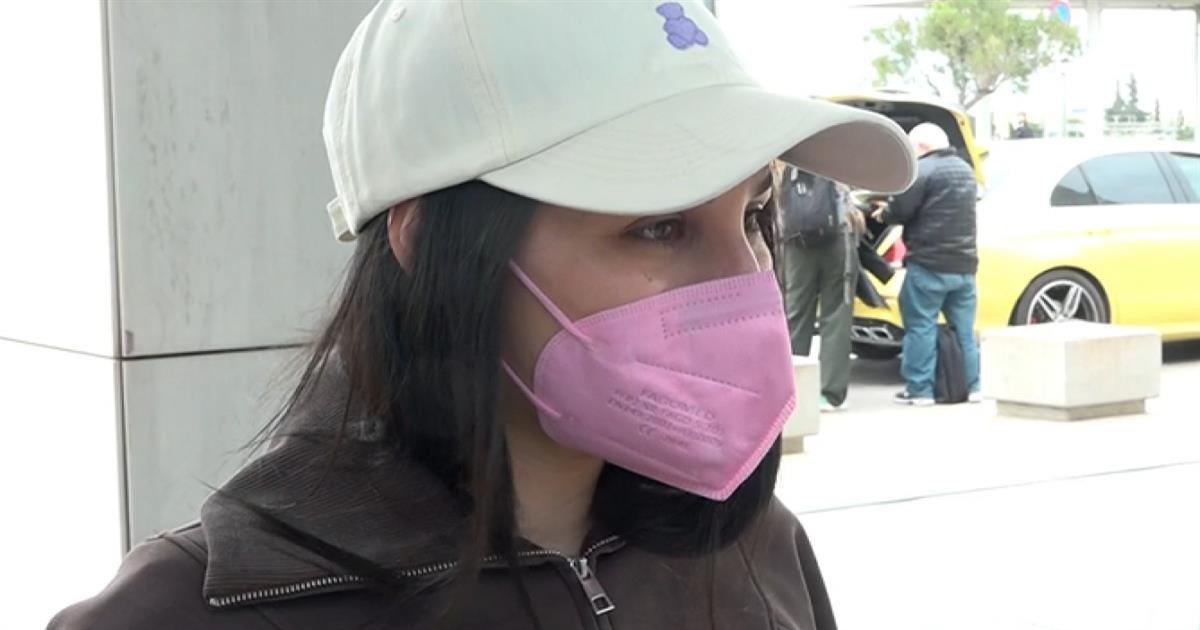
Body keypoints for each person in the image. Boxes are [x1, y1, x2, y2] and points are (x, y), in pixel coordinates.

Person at [50, 2, 914, 629]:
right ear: (429, 244)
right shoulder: (192, 611)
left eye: (754, 215)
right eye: (658, 226)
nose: (748, 279)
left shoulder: (756, 551)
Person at [872, 123, 981, 407]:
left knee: (921, 326)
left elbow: (901, 210)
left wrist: (883, 213)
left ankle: (920, 390)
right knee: (964, 331)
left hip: (929, 265)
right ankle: (973, 387)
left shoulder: (921, 171)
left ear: (921, 147)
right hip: (965, 265)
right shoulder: (966, 170)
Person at [777, 168, 865, 412]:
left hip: (796, 241)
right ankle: (830, 394)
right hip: (838, 238)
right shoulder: (836, 157)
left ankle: (791, 390)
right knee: (836, 316)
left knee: (795, 314)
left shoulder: (788, 161)